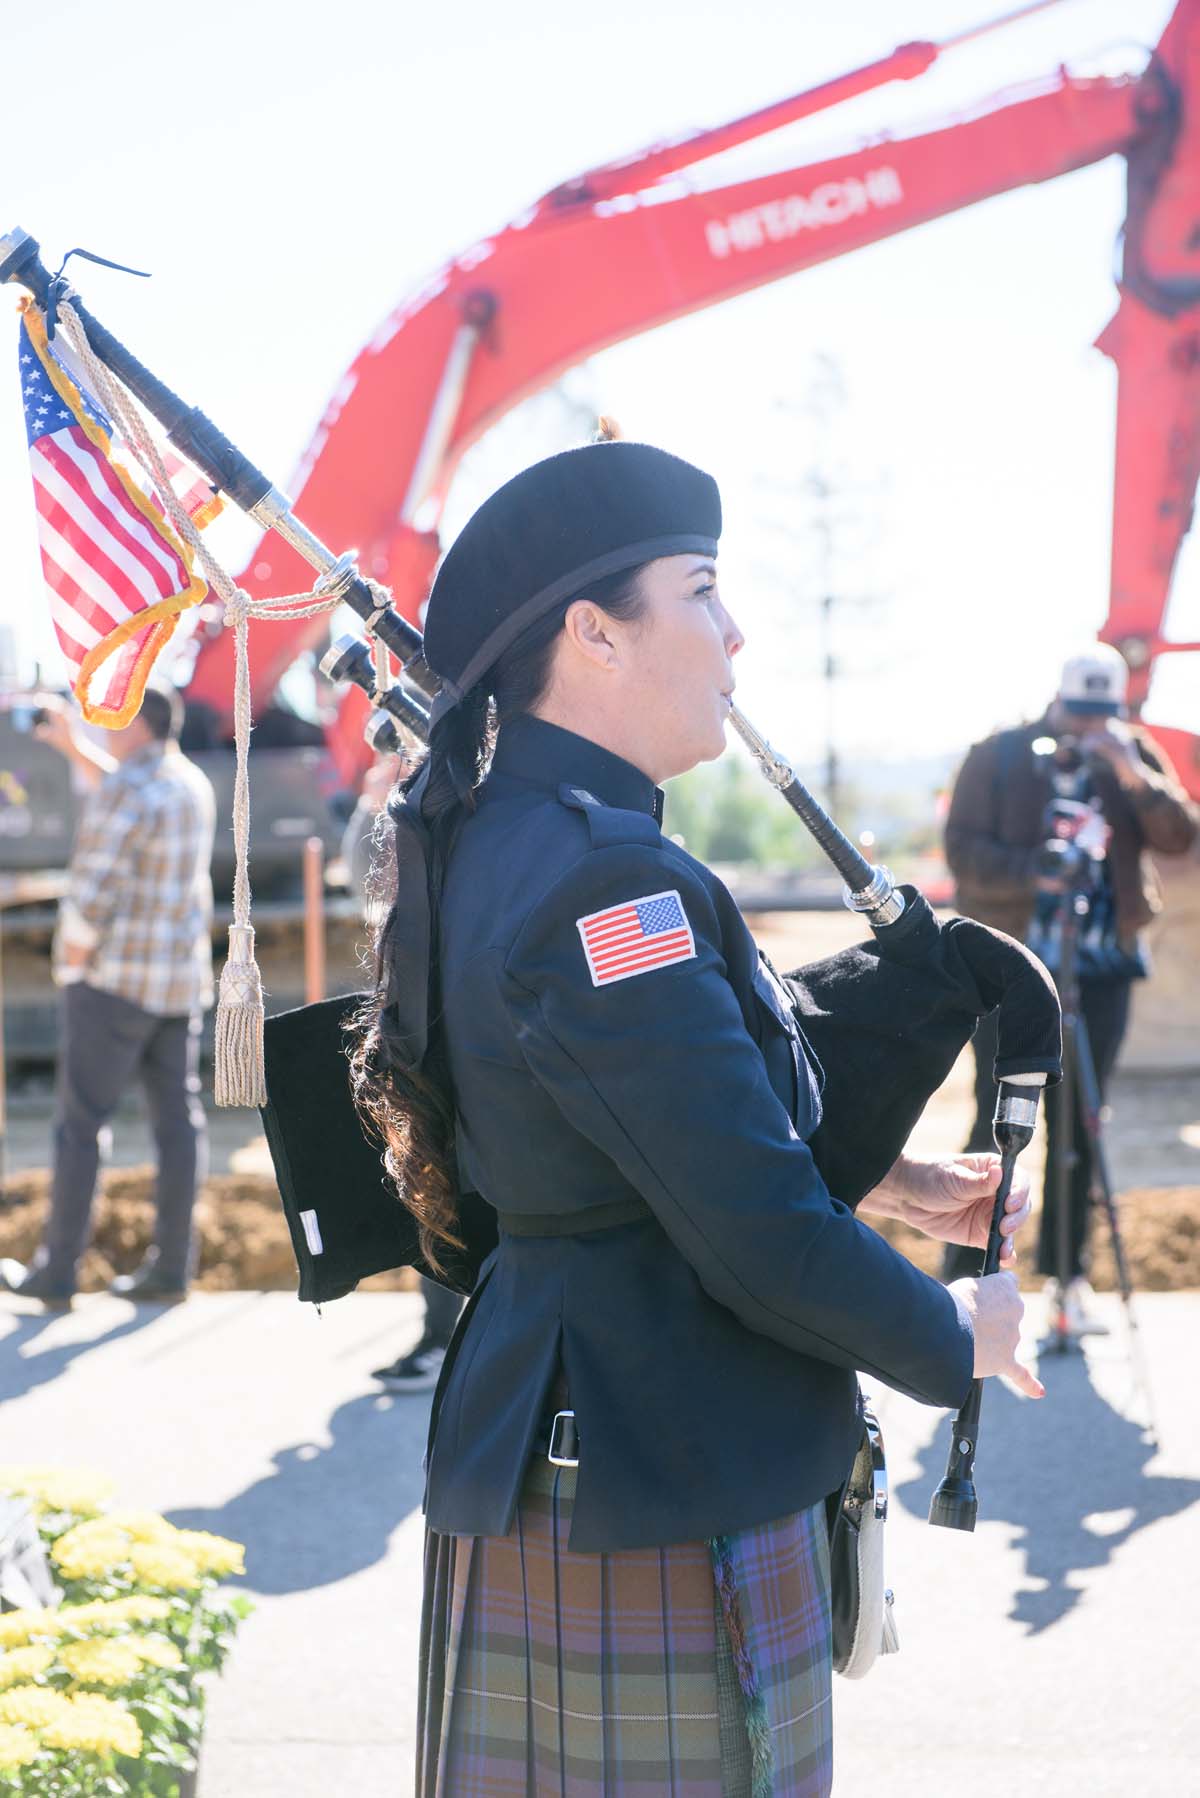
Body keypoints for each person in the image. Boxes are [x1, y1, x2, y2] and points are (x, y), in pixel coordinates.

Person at [351, 441, 1038, 1797]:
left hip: (586, 1446)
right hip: (651, 1467)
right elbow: (753, 1230)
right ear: (593, 633)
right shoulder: (605, 876)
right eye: (703, 590)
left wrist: (887, 1178)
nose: (737, 630)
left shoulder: (515, 836)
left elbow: (619, 1127)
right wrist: (961, 1332)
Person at [942, 644, 1199, 1327]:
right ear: (1057, 701)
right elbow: (962, 852)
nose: (1089, 728)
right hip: (1010, 966)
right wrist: (1038, 870)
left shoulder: (1130, 753)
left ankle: (1068, 1278)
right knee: (993, 1117)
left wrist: (1129, 769)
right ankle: (966, 1284)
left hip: (1103, 968)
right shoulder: (999, 754)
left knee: (1081, 1121)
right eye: (1080, 715)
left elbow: (1180, 834)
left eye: (1102, 716)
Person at [0, 684, 216, 1308]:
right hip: (175, 985)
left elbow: (94, 890)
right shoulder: (187, 782)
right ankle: (172, 1267)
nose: (106, 728)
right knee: (179, 1126)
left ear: (138, 724)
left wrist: (70, 957)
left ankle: (58, 1271)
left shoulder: (127, 790)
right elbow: (129, 795)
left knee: (79, 1127)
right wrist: (74, 747)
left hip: (113, 984)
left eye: (113, 719)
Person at [341, 751, 462, 1391]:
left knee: (438, 1185)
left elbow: (365, 878)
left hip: (444, 1036)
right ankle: (446, 1339)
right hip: (451, 1030)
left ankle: (445, 1343)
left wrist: (377, 805)